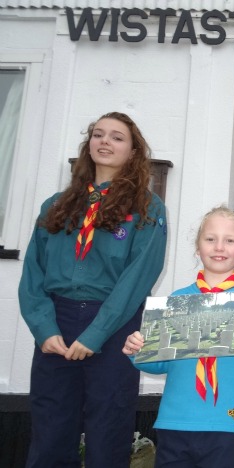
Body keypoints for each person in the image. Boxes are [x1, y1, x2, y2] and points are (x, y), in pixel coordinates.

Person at [18, 112, 167, 468]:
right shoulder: (56, 204)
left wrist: (96, 333)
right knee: (50, 429)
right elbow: (32, 272)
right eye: (98, 135)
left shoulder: (147, 208)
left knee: (108, 431)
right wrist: (44, 329)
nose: (105, 141)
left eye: (117, 137)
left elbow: (138, 277)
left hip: (114, 325)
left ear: (132, 152)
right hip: (56, 321)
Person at [123, 206, 234, 468]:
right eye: (210, 239)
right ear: (198, 247)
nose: (219, 247)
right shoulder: (178, 300)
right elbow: (158, 363)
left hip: (230, 422)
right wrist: (138, 350)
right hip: (176, 421)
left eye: (229, 240)